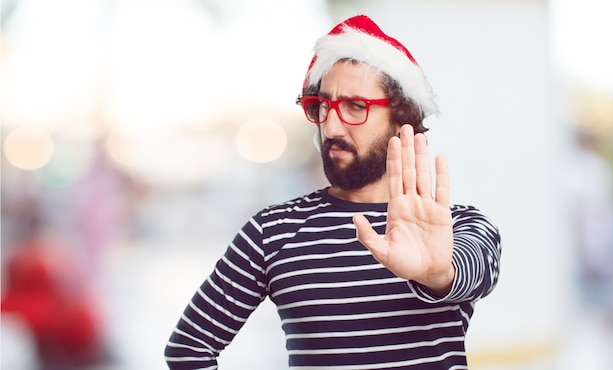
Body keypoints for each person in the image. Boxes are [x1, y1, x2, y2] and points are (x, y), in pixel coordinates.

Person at [165, 14, 501, 369]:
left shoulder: (459, 226)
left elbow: (474, 273)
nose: (331, 125)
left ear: (402, 119)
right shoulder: (271, 232)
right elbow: (189, 349)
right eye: (323, 106)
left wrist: (436, 274)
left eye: (356, 106)